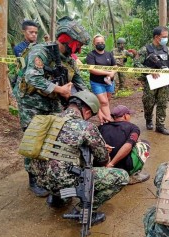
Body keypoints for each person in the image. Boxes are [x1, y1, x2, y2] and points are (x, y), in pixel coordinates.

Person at [13, 16, 90, 197]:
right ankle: (33, 178)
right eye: (78, 44)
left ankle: (52, 172)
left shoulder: (69, 60)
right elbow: (32, 77)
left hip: (53, 101)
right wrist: (59, 89)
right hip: (31, 103)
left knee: (58, 134)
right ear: (67, 40)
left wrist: (94, 103)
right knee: (35, 137)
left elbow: (80, 83)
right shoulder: (41, 52)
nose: (80, 48)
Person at [29, 91, 129, 224]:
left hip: (39, 181)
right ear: (87, 111)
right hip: (62, 182)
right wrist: (103, 152)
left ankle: (57, 199)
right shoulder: (86, 127)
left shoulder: (48, 119)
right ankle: (83, 211)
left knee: (59, 157)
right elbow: (103, 159)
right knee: (122, 177)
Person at [134, 26, 169, 135]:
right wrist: (149, 70)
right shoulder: (145, 49)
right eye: (164, 37)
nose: (166, 39)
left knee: (163, 103)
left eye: (167, 37)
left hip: (165, 81)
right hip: (150, 81)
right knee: (148, 103)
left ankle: (160, 126)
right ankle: (148, 119)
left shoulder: (168, 50)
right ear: (156, 37)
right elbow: (136, 64)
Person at [98, 105, 151, 184]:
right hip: (121, 166)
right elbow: (128, 145)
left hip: (103, 164)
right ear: (125, 116)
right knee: (144, 144)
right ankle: (132, 175)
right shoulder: (133, 127)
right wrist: (111, 164)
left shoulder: (102, 127)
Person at [86, 34, 117, 123]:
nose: (101, 44)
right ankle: (109, 120)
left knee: (107, 100)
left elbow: (115, 66)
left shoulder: (109, 54)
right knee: (104, 102)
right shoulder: (91, 55)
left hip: (109, 82)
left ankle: (102, 116)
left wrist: (112, 73)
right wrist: (108, 72)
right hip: (97, 82)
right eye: (98, 43)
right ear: (94, 44)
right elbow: (92, 70)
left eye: (102, 42)